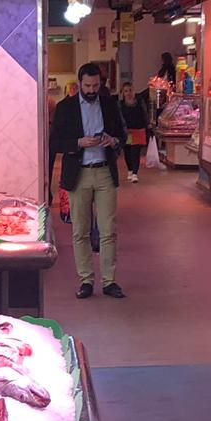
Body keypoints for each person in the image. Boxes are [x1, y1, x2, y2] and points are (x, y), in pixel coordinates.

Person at [48, 61, 128, 299]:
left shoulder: (110, 105)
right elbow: (55, 142)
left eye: (96, 85)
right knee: (80, 231)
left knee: (108, 230)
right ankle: (85, 280)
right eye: (88, 85)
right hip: (78, 173)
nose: (92, 90)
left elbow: (123, 136)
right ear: (79, 84)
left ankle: (109, 281)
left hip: (104, 172)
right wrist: (78, 143)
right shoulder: (65, 108)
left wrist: (112, 141)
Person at [118, 80, 151, 184]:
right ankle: (130, 170)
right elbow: (119, 118)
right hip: (127, 131)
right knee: (127, 152)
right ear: (123, 93)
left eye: (130, 90)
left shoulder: (139, 102)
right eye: (126, 91)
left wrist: (147, 124)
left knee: (135, 152)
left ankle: (135, 173)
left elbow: (144, 114)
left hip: (138, 130)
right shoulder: (120, 104)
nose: (128, 93)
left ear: (134, 91)